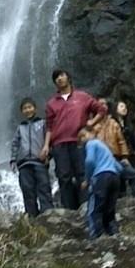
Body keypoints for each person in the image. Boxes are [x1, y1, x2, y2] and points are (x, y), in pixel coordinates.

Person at [40, 70, 105, 210]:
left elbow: (101, 109)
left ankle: (87, 206)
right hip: (59, 144)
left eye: (61, 75)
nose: (59, 79)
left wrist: (92, 122)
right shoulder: (51, 103)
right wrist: (46, 146)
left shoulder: (82, 96)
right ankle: (68, 211)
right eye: (56, 78)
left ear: (68, 78)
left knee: (83, 174)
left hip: (79, 142)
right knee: (64, 177)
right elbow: (49, 127)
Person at [9, 97, 53, 217]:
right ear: (22, 111)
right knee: (27, 191)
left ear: (35, 108)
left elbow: (49, 141)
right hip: (24, 164)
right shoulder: (20, 127)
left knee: (44, 188)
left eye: (30, 107)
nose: (28, 110)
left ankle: (48, 214)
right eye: (25, 108)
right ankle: (31, 216)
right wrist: (13, 159)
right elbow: (15, 144)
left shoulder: (42, 123)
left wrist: (49, 155)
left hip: (39, 162)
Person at [78, 125, 123, 238]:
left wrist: (87, 179)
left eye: (83, 135)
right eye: (80, 138)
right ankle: (114, 234)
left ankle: (96, 236)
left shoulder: (91, 144)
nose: (82, 139)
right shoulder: (104, 146)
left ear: (92, 133)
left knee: (95, 209)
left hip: (101, 177)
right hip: (114, 177)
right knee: (110, 210)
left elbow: (90, 161)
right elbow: (119, 167)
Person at [93, 101, 135, 196]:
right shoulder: (93, 124)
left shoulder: (113, 123)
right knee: (118, 182)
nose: (103, 107)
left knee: (133, 176)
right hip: (103, 159)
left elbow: (121, 141)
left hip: (117, 157)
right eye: (121, 106)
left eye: (105, 104)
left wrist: (124, 156)